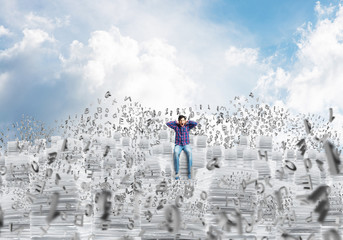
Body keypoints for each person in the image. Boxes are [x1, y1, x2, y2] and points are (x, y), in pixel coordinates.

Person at [166, 115, 197, 180]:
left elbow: (195, 123)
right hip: (178, 145)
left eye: (183, 120)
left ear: (185, 121)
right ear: (179, 121)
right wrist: (175, 122)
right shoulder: (176, 126)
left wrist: (188, 121)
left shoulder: (187, 126)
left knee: (189, 153)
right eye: (181, 120)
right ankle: (177, 173)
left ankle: (189, 173)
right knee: (176, 152)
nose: (182, 122)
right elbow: (167, 124)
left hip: (186, 144)